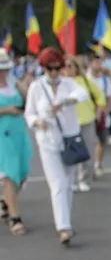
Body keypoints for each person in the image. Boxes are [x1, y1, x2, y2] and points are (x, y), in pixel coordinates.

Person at [23, 47, 88, 246]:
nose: (53, 72)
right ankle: (64, 227)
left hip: (69, 140)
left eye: (56, 68)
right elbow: (29, 114)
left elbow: (82, 94)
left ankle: (65, 220)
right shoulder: (36, 87)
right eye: (49, 69)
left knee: (68, 184)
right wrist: (37, 123)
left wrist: (65, 102)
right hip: (48, 141)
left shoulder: (69, 84)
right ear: (43, 68)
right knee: (58, 183)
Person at [0, 47, 34, 235]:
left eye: (5, 68)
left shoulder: (13, 83)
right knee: (10, 176)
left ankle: (5, 201)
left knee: (22, 173)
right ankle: (15, 218)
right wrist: (5, 111)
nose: (2, 72)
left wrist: (23, 84)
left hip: (19, 132)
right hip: (2, 136)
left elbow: (29, 98)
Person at [65, 57, 106, 192]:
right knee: (71, 152)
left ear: (76, 67)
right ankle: (72, 180)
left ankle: (84, 179)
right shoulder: (61, 83)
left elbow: (100, 96)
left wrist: (99, 110)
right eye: (65, 66)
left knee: (87, 151)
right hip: (69, 122)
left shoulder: (85, 81)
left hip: (87, 119)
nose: (68, 69)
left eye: (71, 66)